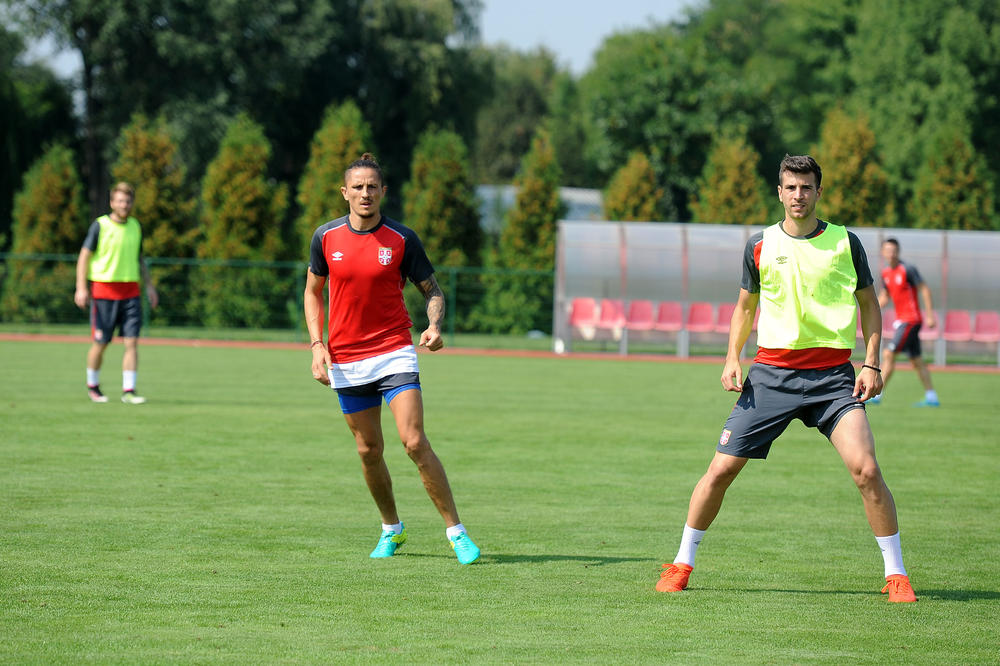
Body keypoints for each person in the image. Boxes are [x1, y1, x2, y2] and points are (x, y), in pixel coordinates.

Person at [656, 155, 916, 602]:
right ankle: (681, 563)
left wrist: (871, 362)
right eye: (791, 187)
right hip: (771, 377)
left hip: (833, 379)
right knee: (720, 470)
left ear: (819, 192)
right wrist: (731, 357)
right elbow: (744, 308)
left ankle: (896, 574)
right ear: (779, 193)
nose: (799, 195)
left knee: (867, 470)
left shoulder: (845, 243)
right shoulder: (759, 245)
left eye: (806, 187)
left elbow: (870, 305)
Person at [303, 153, 480, 565]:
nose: (365, 193)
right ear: (344, 192)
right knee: (368, 450)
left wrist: (434, 325)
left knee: (414, 441)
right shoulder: (325, 237)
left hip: (394, 351)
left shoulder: (402, 239)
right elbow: (312, 292)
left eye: (372, 187)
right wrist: (316, 345)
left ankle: (456, 533)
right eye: (358, 187)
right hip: (347, 359)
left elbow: (432, 290)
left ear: (383, 191)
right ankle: (391, 529)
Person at [74, 182, 159, 404]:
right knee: (101, 343)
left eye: (128, 201)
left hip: (130, 292)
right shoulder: (100, 226)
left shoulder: (135, 226)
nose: (124, 205)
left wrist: (149, 286)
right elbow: (84, 256)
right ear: (112, 203)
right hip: (104, 293)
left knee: (132, 342)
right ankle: (93, 386)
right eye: (120, 201)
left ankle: (128, 391)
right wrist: (81, 287)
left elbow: (140, 258)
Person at [869, 238, 939, 407]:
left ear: (898, 252)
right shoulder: (886, 273)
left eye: (894, 250)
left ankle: (877, 395)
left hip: (911, 320)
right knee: (916, 361)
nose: (891, 254)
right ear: (883, 253)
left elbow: (924, 289)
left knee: (888, 354)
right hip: (903, 321)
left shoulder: (907, 269)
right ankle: (931, 397)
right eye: (888, 250)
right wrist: (869, 310)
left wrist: (930, 315)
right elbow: (885, 296)